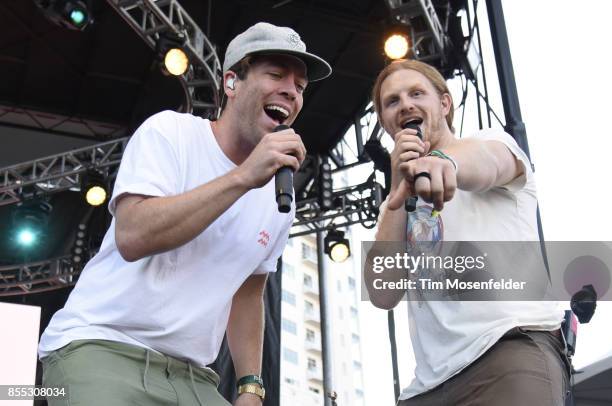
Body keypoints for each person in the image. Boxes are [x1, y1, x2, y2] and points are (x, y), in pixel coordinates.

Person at [38, 22, 331, 406]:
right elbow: (133, 235)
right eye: (275, 74)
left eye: (300, 86)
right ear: (231, 82)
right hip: (101, 347)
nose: (290, 90)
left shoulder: (280, 196)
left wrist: (250, 387)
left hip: (192, 377)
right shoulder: (170, 132)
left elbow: (249, 291)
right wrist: (243, 177)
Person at [364, 59, 570, 405]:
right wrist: (397, 194)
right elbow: (383, 294)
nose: (406, 105)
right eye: (393, 101)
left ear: (444, 104)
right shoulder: (393, 206)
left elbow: (490, 164)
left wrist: (445, 163)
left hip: (506, 351)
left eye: (417, 93)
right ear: (386, 123)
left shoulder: (489, 142)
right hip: (428, 386)